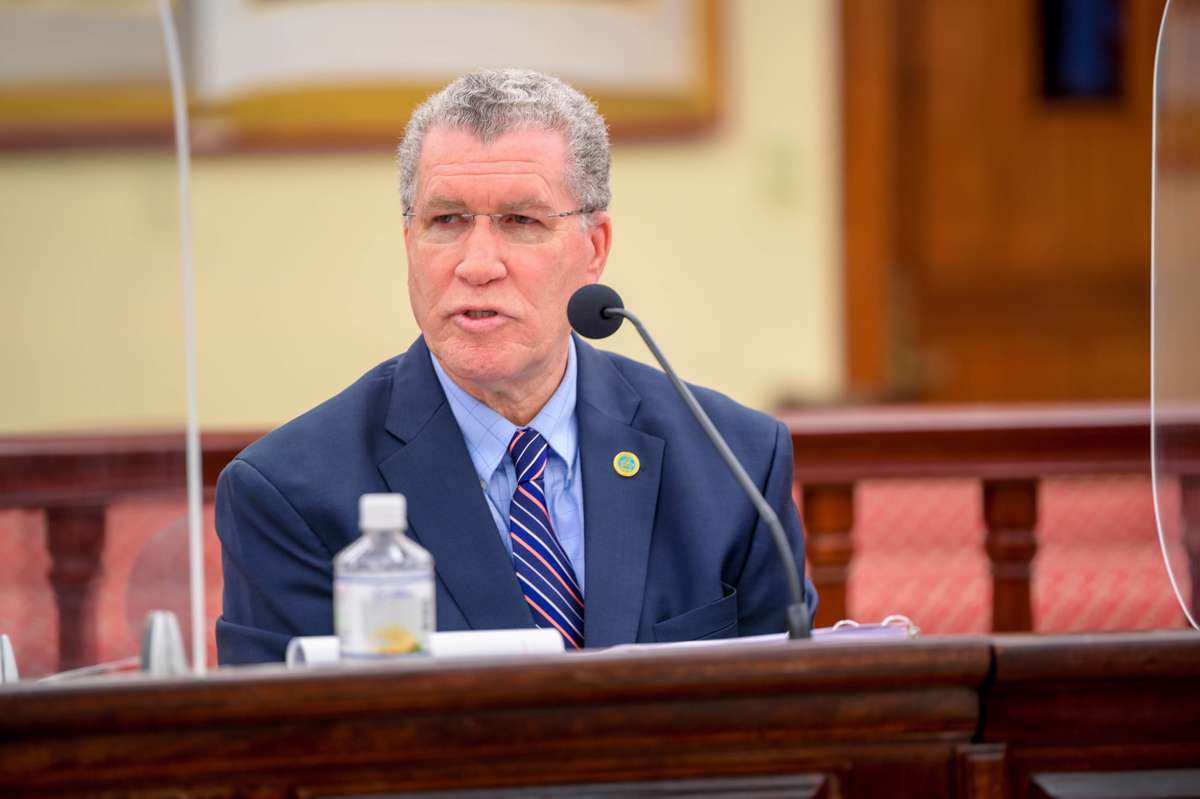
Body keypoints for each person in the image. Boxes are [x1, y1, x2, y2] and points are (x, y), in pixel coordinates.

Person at [215, 68, 817, 664]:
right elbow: (284, 725)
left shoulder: (734, 463)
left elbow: (785, 708)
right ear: (409, 243)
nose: (478, 264)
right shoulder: (289, 493)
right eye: (446, 221)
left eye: (521, 221)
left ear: (595, 248)